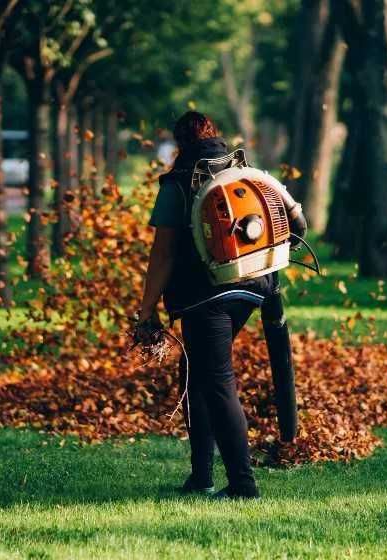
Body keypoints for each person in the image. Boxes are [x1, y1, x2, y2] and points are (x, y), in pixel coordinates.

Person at [136, 111, 277, 500]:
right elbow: (288, 222)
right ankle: (201, 477)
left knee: (216, 381)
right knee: (195, 372)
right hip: (252, 288)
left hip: (206, 296)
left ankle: (243, 486)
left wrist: (146, 310)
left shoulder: (179, 183)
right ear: (215, 136)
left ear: (180, 144)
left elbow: (163, 254)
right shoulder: (243, 173)